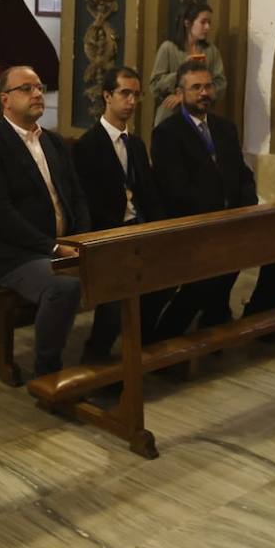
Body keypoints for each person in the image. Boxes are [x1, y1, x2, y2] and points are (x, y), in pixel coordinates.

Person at [0, 66, 90, 377]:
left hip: (62, 245)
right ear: (5, 99)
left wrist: (82, 239)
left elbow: (77, 196)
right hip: (14, 255)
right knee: (63, 288)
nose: (37, 93)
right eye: (27, 88)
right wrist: (53, 247)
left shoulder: (53, 141)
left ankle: (99, 353)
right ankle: (47, 371)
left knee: (125, 269)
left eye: (39, 86)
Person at [150, 60, 262, 338]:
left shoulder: (225, 128)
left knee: (247, 256)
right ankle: (167, 335)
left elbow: (242, 173)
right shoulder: (167, 133)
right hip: (192, 225)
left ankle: (215, 319)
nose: (204, 93)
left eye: (208, 86)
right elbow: (175, 189)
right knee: (206, 276)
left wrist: (246, 205)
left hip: (228, 223)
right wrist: (214, 218)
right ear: (180, 92)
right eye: (196, 87)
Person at [71, 66, 167, 356]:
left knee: (166, 279)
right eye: (125, 94)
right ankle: (96, 355)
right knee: (117, 293)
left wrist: (162, 230)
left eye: (136, 95)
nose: (131, 101)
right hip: (108, 233)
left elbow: (149, 193)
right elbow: (86, 202)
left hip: (138, 229)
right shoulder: (88, 145)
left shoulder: (136, 144)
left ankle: (140, 345)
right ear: (107, 96)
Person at [149, 3, 227, 126]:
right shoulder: (168, 48)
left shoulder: (211, 51)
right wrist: (181, 70)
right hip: (171, 114)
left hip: (201, 116)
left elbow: (220, 84)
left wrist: (188, 97)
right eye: (203, 22)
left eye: (209, 23)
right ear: (188, 23)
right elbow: (155, 85)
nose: (207, 27)